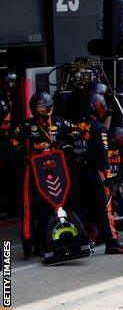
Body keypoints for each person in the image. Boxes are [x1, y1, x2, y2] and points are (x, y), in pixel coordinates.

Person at [13, 92, 76, 256]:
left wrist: (66, 144)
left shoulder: (60, 123)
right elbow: (13, 140)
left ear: (49, 106)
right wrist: (24, 149)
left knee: (52, 206)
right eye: (37, 106)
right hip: (32, 172)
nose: (40, 109)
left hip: (55, 171)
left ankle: (47, 241)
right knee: (30, 207)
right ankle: (28, 243)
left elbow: (76, 133)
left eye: (42, 106)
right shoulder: (26, 125)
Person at [73, 94, 123, 254]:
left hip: (78, 174)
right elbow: (103, 157)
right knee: (105, 208)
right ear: (98, 108)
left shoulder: (77, 127)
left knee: (82, 208)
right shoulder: (99, 129)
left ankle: (81, 240)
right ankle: (112, 243)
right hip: (96, 174)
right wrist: (109, 178)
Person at [0, 71, 19, 217]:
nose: (11, 84)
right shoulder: (1, 98)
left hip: (7, 141)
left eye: (13, 82)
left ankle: (13, 207)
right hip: (2, 142)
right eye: (8, 82)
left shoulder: (10, 97)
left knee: (12, 172)